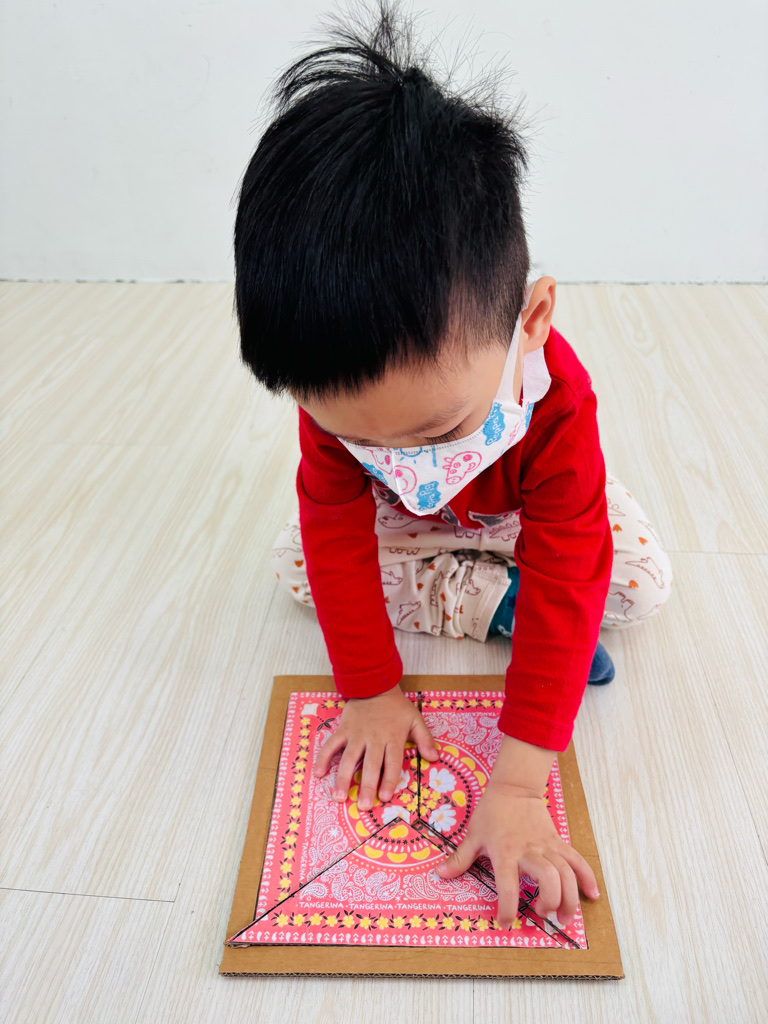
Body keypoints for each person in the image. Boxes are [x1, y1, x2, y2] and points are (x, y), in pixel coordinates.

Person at [234, 1, 673, 931]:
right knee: (295, 565)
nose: (401, 459)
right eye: (366, 440)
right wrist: (370, 690)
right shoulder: (339, 403)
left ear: (532, 322)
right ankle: (486, 600)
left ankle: (491, 582)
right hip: (403, 532)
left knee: (635, 581)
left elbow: (571, 563)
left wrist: (517, 784)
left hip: (523, 513)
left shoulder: (558, 405)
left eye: (436, 428)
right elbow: (335, 528)